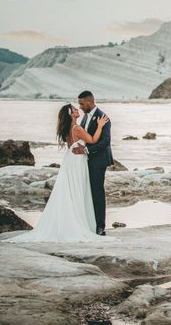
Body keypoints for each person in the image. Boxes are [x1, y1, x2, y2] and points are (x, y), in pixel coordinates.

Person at [6, 104, 113, 243]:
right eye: (75, 109)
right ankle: (79, 223)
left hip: (70, 160)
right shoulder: (77, 128)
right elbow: (93, 140)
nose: (78, 110)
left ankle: (71, 222)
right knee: (77, 191)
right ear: (71, 114)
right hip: (77, 162)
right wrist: (99, 126)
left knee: (70, 191)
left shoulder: (68, 129)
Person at [72, 91, 114, 236]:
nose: (80, 107)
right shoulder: (84, 117)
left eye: (82, 104)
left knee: (97, 193)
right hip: (85, 162)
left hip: (98, 161)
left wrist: (86, 150)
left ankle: (100, 227)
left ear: (89, 102)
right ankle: (89, 223)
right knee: (87, 193)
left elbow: (105, 142)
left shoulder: (103, 117)